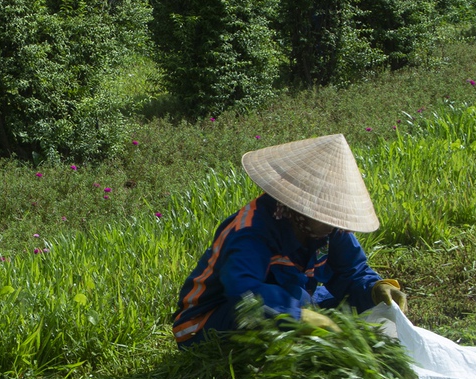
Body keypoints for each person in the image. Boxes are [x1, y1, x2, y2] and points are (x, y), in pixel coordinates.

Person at [171, 133, 407, 345]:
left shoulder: (328, 228)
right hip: (206, 323)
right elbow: (244, 293)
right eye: (328, 215)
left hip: (289, 299)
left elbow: (351, 270)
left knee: (342, 306)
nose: (336, 224)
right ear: (301, 208)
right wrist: (299, 315)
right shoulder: (251, 231)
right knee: (300, 303)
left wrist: (375, 289)